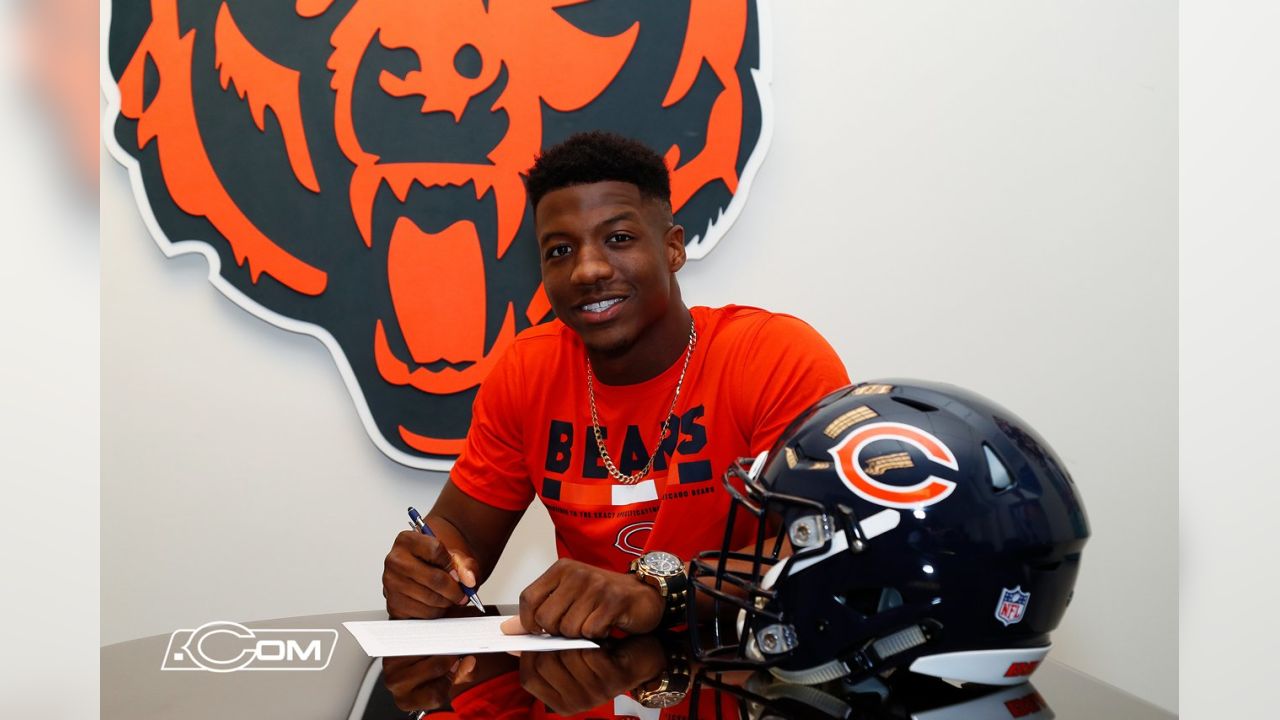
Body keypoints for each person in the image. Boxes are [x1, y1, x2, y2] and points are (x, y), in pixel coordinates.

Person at [382, 131, 849, 639]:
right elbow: (462, 532)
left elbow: (828, 542)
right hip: (581, 685)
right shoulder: (527, 371)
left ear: (672, 248)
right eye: (560, 250)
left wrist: (658, 593)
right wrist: (429, 571)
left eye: (619, 239)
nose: (588, 269)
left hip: (745, 680)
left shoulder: (772, 357)